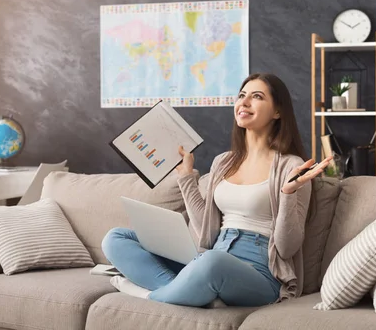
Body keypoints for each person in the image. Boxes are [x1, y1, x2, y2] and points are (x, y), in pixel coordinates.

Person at [102, 73, 332, 307]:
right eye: (241, 95)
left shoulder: (291, 166)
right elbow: (207, 234)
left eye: (257, 97)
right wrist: (185, 179)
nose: (244, 102)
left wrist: (287, 194)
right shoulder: (223, 162)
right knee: (116, 238)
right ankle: (192, 291)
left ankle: (149, 294)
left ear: (277, 112)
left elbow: (287, 248)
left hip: (260, 273)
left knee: (213, 263)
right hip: (212, 256)